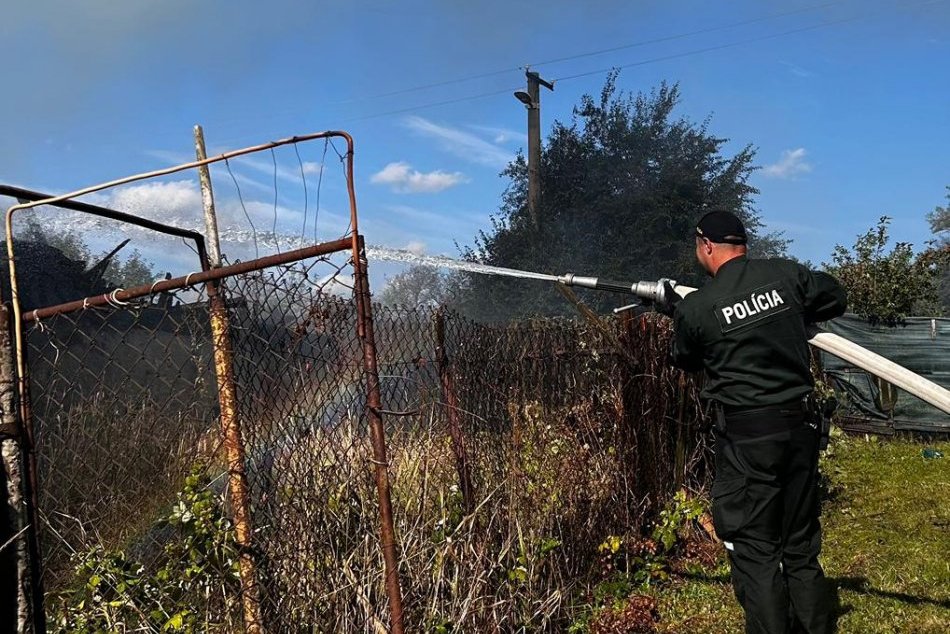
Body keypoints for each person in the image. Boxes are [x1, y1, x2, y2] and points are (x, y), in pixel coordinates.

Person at [659, 210, 847, 634]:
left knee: (757, 549)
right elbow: (835, 295)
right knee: (799, 542)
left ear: (706, 245)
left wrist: (678, 313)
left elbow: (685, 359)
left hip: (748, 442)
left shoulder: (700, 306)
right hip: (801, 430)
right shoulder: (785, 275)